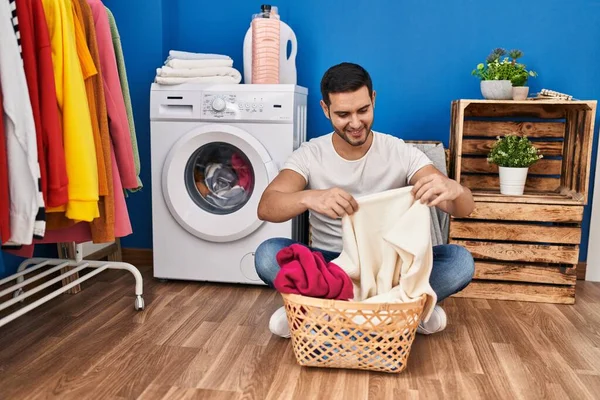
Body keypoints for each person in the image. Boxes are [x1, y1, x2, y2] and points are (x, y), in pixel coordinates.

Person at [254, 62, 475, 338]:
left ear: (373, 99)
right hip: (331, 269)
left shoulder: (399, 152)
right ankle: (404, 312)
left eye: (363, 110)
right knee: (267, 254)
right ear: (325, 110)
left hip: (390, 269)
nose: (356, 123)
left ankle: (312, 314)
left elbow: (463, 208)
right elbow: (267, 206)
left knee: (460, 261)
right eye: (343, 114)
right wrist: (310, 197)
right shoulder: (309, 155)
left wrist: (455, 190)